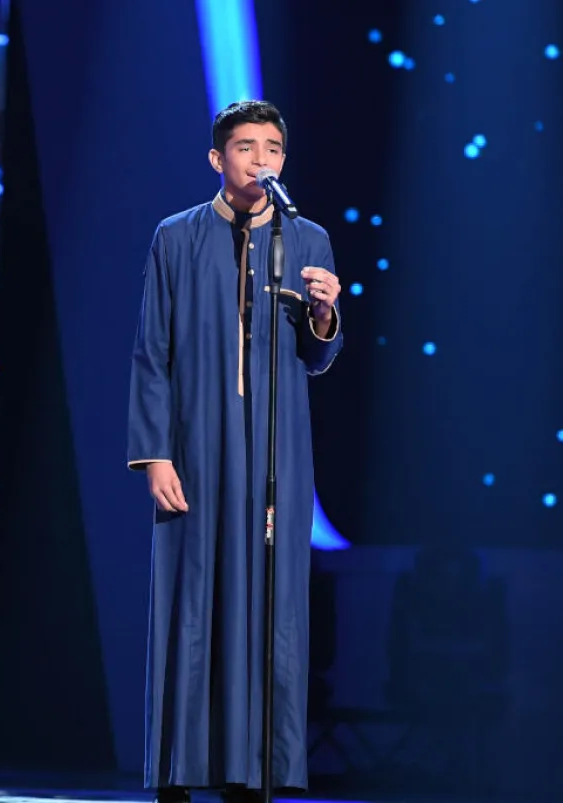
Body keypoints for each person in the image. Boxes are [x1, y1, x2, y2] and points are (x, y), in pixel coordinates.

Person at [126, 100, 343, 803]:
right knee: (192, 601)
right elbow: (152, 351)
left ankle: (255, 771)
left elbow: (318, 355)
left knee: (270, 605)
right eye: (246, 147)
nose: (261, 159)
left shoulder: (307, 239)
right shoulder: (176, 236)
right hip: (194, 446)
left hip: (278, 448)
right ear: (218, 159)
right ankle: (179, 770)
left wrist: (325, 313)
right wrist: (155, 453)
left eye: (272, 147)